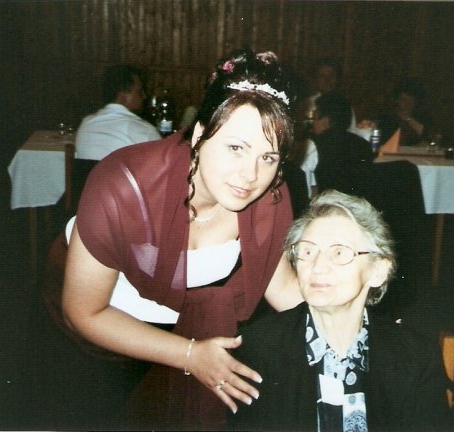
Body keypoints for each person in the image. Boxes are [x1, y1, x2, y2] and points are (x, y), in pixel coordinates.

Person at [61, 48, 303, 430]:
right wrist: (189, 356)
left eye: (268, 157)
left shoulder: (268, 195)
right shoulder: (123, 186)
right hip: (105, 337)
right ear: (201, 133)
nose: (250, 175)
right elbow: (84, 313)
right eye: (236, 148)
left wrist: (350, 322)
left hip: (196, 334)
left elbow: (284, 287)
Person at [232, 190, 450, 431]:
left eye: (338, 252)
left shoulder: (415, 356)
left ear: (378, 271)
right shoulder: (258, 350)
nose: (318, 267)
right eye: (307, 251)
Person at [75, 64, 161, 161]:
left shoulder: (86, 123)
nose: (144, 96)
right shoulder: (145, 130)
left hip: (92, 172)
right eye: (140, 91)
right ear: (123, 94)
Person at [303, 92, 373, 197]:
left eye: (315, 118)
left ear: (326, 121)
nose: (312, 123)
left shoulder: (313, 145)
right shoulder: (364, 144)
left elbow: (306, 188)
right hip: (357, 204)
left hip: (327, 204)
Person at [377, 77, 434, 153]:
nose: (408, 103)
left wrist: (409, 119)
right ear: (396, 101)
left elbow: (429, 136)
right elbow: (385, 140)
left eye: (411, 100)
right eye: (404, 100)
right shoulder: (387, 118)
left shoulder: (422, 116)